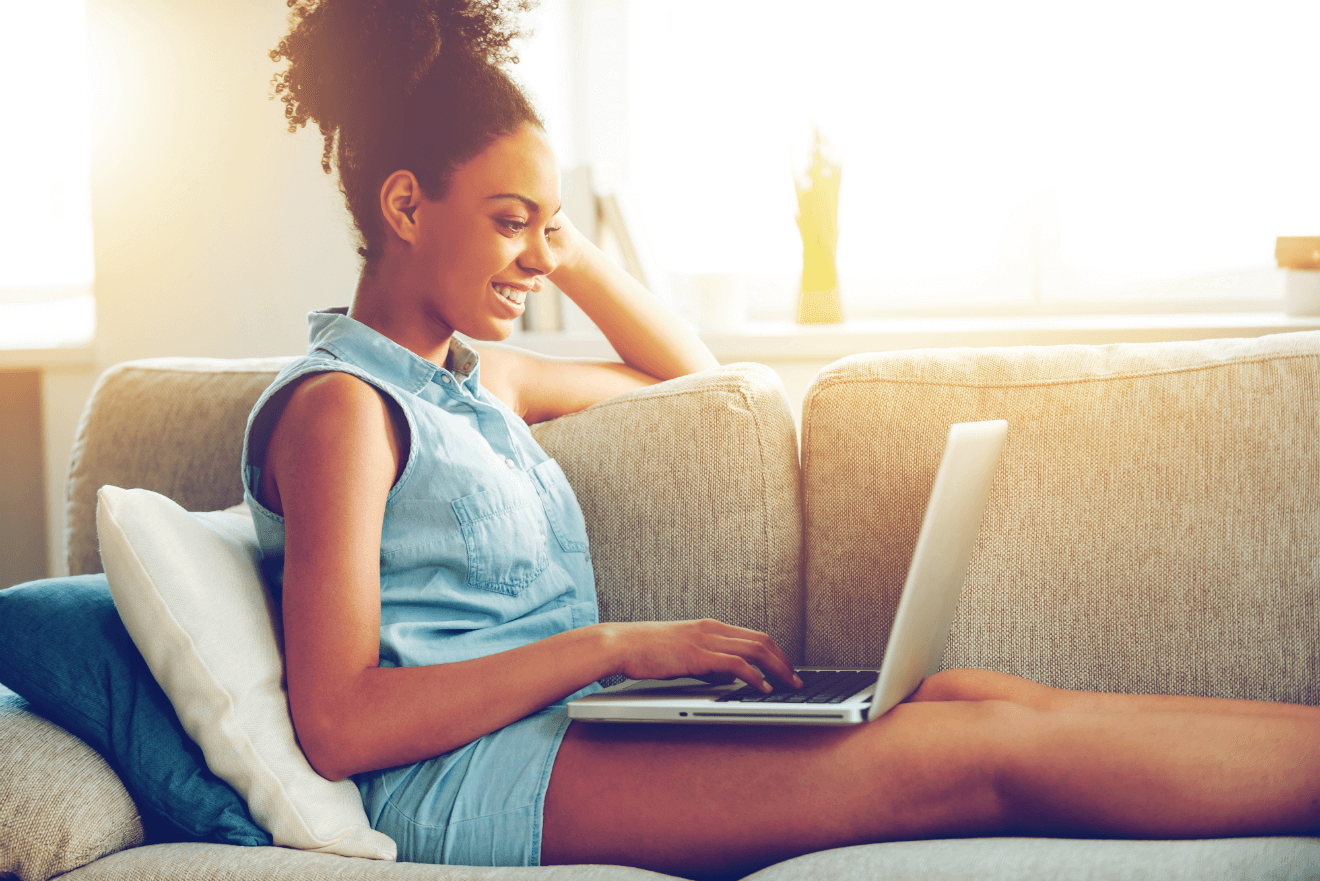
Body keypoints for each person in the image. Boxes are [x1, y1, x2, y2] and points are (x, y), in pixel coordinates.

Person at [251, 1, 1320, 878]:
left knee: (970, 694)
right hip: (477, 780)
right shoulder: (343, 408)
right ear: (404, 203)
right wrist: (619, 646)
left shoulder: (478, 384)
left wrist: (559, 247)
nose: (535, 254)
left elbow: (700, 383)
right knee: (980, 751)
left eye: (545, 222)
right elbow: (342, 722)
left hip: (571, 730)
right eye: (506, 220)